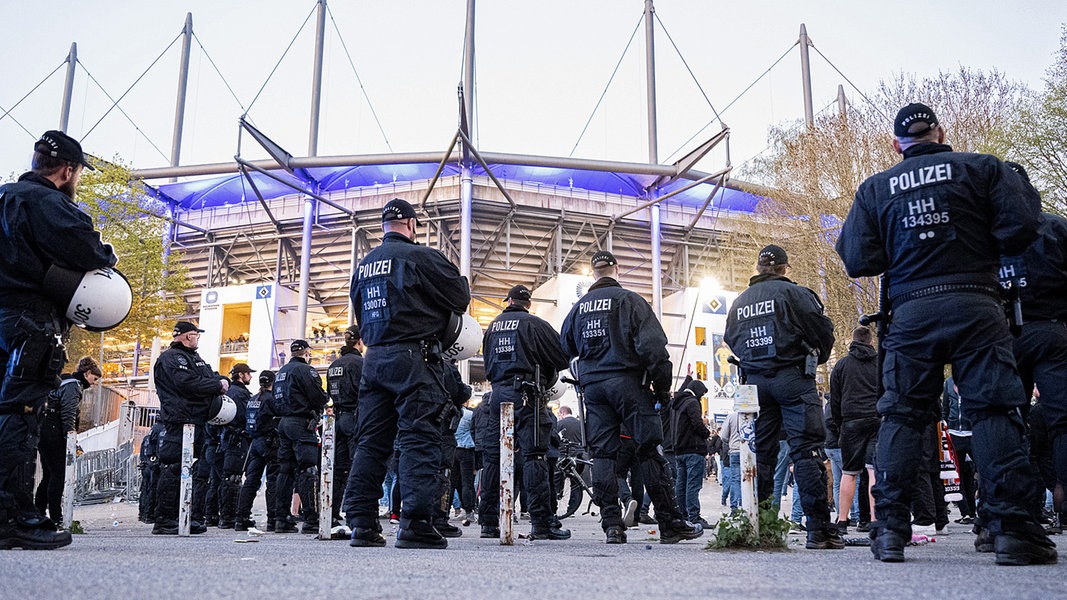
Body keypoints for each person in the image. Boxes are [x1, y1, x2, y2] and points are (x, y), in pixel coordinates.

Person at [835, 102, 1056, 565]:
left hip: (912, 313)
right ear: (940, 132)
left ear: (897, 144)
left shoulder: (876, 189)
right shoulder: (981, 169)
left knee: (901, 416)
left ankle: (890, 530)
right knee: (994, 411)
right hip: (976, 304)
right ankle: (1012, 529)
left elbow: (858, 259)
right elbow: (1022, 228)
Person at [0, 131, 117, 550]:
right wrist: (106, 255)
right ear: (68, 170)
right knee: (21, 411)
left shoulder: (4, 197)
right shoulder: (51, 204)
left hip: (2, 315)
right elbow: (91, 254)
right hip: (31, 321)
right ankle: (13, 517)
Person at [343, 198, 471, 549]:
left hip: (374, 360)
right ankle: (415, 523)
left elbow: (359, 313)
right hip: (414, 358)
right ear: (412, 225)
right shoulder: (421, 257)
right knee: (419, 438)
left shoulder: (363, 266)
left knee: (371, 442)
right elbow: (460, 298)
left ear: (383, 225)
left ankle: (362, 524)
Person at [560, 250, 702, 545]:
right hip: (628, 383)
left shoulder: (578, 309)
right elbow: (654, 349)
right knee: (649, 449)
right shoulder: (630, 301)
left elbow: (565, 348)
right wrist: (662, 389)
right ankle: (669, 522)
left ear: (593, 272)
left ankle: (611, 524)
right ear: (616, 268)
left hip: (594, 389)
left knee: (602, 454)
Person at [723, 244, 840, 550]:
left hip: (756, 383)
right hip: (792, 377)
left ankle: (761, 524)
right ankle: (818, 529)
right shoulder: (797, 294)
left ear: (759, 268)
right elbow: (822, 330)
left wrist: (753, 359)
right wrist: (816, 355)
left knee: (762, 454)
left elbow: (731, 338)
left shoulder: (740, 302)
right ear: (785, 268)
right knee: (806, 451)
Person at [998, 163, 1067, 535]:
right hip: (1052, 328)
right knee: (1062, 422)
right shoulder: (1054, 227)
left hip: (1004, 333)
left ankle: (1008, 512)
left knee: (1006, 418)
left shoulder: (987, 235)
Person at [482, 284, 571, 540]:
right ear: (528, 304)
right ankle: (541, 523)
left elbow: (487, 363)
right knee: (535, 456)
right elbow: (562, 355)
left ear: (508, 301)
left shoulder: (492, 326)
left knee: (493, 458)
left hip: (497, 393)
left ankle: (488, 522)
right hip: (527, 395)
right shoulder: (534, 324)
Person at [152, 321, 230, 535]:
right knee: (174, 467)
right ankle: (165, 519)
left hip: (196, 421)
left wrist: (220, 380)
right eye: (196, 335)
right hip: (180, 421)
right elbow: (187, 384)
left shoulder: (194, 358)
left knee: (189, 470)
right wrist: (216, 385)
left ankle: (182, 516)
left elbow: (210, 377)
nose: (197, 339)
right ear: (188, 336)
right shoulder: (171, 358)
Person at [35, 356, 101, 526]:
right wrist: (70, 436)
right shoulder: (73, 386)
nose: (94, 384)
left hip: (44, 428)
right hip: (54, 430)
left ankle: (39, 512)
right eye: (94, 379)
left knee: (48, 475)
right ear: (87, 373)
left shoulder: (65, 380)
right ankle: (56, 516)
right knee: (58, 474)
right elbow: (68, 412)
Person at [828, 326, 879, 535]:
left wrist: (839, 424)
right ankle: (876, 520)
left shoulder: (842, 365)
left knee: (849, 473)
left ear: (853, 340)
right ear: (871, 341)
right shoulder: (880, 363)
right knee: (873, 471)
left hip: (851, 422)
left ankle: (842, 520)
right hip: (876, 419)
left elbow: (835, 399)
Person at [273, 339, 328, 534]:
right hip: (301, 422)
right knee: (308, 469)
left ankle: (281, 517)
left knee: (285, 470)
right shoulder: (305, 370)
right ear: (306, 352)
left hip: (284, 422)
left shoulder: (281, 372)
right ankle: (312, 518)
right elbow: (318, 396)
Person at [326, 325, 364, 526]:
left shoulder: (334, 365)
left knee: (338, 469)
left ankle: (331, 513)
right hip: (354, 416)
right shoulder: (359, 363)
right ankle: (353, 512)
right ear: (359, 342)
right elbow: (365, 390)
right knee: (356, 466)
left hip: (338, 418)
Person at [235, 370, 278, 531]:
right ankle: (273, 517)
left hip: (255, 442)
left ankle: (242, 516)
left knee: (252, 481)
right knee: (273, 479)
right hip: (270, 442)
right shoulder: (271, 399)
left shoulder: (253, 399)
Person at [217, 363, 255, 528]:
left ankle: (225, 516)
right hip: (238, 438)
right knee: (233, 478)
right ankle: (229, 517)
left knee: (227, 477)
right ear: (241, 375)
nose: (250, 377)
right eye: (248, 374)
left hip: (228, 437)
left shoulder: (230, 391)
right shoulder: (240, 393)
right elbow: (242, 416)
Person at [671, 379, 710, 527]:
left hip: (679, 450)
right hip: (694, 449)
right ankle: (694, 516)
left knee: (681, 485)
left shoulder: (677, 403)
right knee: (693, 485)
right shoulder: (692, 402)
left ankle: (682, 515)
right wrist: (706, 433)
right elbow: (697, 424)